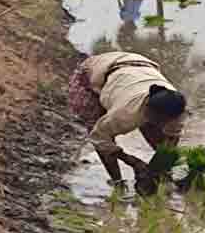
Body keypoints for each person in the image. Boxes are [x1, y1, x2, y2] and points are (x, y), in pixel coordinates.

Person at [67, 51, 187, 185]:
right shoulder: (126, 112)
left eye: (164, 121)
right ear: (147, 108)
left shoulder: (177, 109)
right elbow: (99, 137)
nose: (160, 123)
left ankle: (159, 176)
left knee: (159, 138)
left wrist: (156, 170)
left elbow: (170, 141)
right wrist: (133, 162)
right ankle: (117, 182)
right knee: (96, 124)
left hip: (138, 67)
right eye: (156, 119)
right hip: (94, 71)